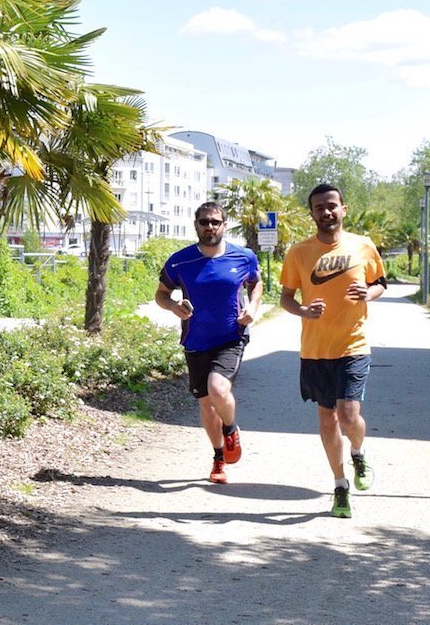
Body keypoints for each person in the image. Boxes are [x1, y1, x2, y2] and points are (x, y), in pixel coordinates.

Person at [280, 183, 387, 519]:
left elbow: (381, 283)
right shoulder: (298, 253)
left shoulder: (363, 246)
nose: (326, 212)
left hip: (353, 345)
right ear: (312, 213)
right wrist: (302, 311)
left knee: (348, 414)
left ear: (344, 209)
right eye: (318, 208)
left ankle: (358, 451)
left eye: (331, 206)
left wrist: (367, 295)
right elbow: (285, 298)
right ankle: (340, 485)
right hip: (314, 351)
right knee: (327, 420)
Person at [154, 202, 262, 484]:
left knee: (218, 389)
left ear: (224, 225)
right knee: (206, 405)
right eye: (204, 222)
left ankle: (231, 428)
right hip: (195, 340)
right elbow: (161, 294)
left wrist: (252, 307)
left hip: (231, 336)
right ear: (196, 225)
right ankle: (218, 459)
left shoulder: (244, 256)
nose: (210, 227)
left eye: (215, 222)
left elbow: (256, 283)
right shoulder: (180, 261)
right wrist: (174, 306)